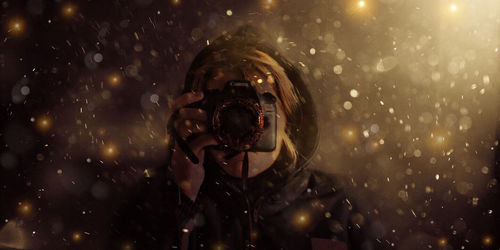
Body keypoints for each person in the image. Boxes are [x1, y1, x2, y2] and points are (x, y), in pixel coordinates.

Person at [109, 25, 387, 250]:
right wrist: (181, 202)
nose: (241, 118)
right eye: (225, 105)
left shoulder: (337, 204)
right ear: (195, 112)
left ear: (290, 114)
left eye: (260, 102)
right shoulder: (154, 201)